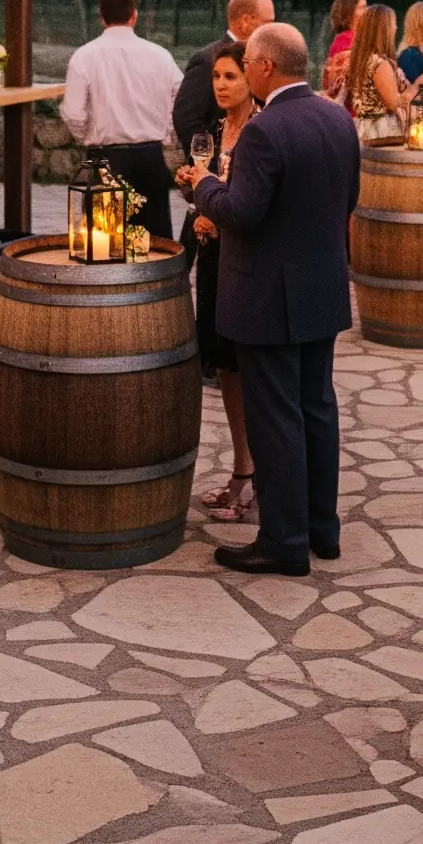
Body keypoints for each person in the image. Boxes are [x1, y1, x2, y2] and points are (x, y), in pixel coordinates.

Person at [183, 22, 360, 576]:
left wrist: (203, 185)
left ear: (263, 68)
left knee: (276, 418)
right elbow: (345, 198)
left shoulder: (266, 130)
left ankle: (283, 542)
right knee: (316, 409)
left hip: (268, 296)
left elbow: (241, 212)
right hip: (321, 287)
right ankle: (321, 531)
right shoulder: (335, 117)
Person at [177, 45, 259, 524]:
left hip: (244, 262)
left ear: (251, 77)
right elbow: (203, 189)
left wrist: (218, 216)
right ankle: (241, 471)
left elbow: (252, 203)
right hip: (211, 260)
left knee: (249, 367)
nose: (222, 85)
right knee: (224, 365)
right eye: (217, 78)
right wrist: (190, 183)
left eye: (231, 76)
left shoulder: (260, 132)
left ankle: (258, 481)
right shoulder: (208, 133)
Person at [60, 0, 183, 243]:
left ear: (101, 17)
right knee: (156, 245)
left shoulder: (84, 57)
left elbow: (73, 114)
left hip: (106, 160)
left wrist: (89, 138)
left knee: (104, 245)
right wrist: (167, 129)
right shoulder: (160, 55)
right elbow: (180, 98)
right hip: (151, 157)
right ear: (134, 15)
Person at [173, 0, 275, 154]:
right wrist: (211, 161)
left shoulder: (263, 59)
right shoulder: (207, 60)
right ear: (246, 22)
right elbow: (186, 118)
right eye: (268, 23)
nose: (272, 30)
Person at [345, 3, 410, 143]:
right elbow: (394, 103)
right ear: (383, 29)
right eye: (393, 24)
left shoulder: (360, 59)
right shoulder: (379, 63)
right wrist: (414, 89)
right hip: (381, 130)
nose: (396, 28)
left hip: (363, 127)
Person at [322, 0, 366, 102]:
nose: (367, 12)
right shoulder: (346, 40)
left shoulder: (356, 37)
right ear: (349, 12)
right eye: (362, 8)